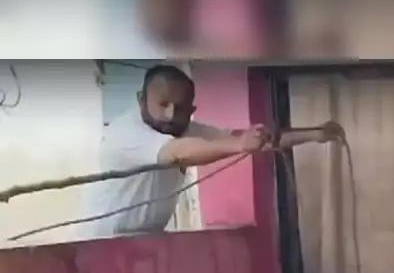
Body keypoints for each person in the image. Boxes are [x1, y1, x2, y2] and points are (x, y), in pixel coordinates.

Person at [83, 64, 340, 238]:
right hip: (98, 244)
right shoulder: (125, 132)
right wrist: (239, 146)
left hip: (144, 241)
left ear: (192, 111)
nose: (171, 115)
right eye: (162, 104)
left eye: (181, 108)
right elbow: (177, 152)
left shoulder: (183, 128)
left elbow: (249, 138)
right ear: (141, 99)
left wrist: (316, 134)